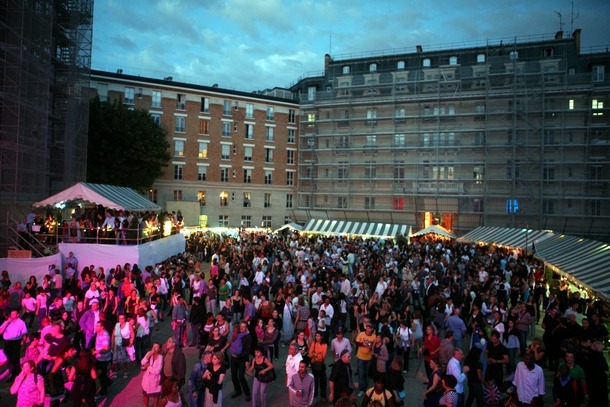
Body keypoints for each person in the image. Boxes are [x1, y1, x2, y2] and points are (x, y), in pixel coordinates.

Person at [0, 308, 27, 380]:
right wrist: (6, 323)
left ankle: (16, 373)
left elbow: (24, 334)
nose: (12, 315)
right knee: (8, 358)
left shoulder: (21, 323)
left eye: (13, 314)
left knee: (15, 358)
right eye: (11, 314)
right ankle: (12, 371)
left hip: (16, 342)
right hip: (7, 342)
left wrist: (24, 344)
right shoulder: (7, 322)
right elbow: (0, 331)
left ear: (17, 315)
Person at [229, 321, 252, 401]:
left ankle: (247, 393)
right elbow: (231, 343)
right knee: (233, 376)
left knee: (241, 377)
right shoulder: (236, 334)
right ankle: (238, 390)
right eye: (241, 326)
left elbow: (247, 350)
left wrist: (238, 355)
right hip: (233, 359)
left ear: (246, 328)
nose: (242, 328)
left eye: (244, 327)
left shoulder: (248, 337)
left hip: (242, 359)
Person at [92, 320, 112, 399]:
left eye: (97, 326)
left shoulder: (104, 335)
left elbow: (106, 348)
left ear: (102, 327)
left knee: (101, 376)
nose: (95, 327)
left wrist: (96, 351)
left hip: (103, 359)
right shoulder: (99, 333)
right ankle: (108, 382)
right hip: (99, 358)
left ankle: (103, 392)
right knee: (102, 374)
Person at [355, 323, 376, 396]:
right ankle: (362, 389)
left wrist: (370, 346)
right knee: (361, 373)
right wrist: (362, 344)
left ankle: (366, 386)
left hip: (369, 358)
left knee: (367, 373)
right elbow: (356, 342)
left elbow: (374, 347)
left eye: (369, 328)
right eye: (367, 327)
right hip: (360, 357)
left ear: (372, 329)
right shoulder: (361, 334)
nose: (368, 329)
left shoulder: (374, 337)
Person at [112, 314, 135, 378]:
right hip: (117, 344)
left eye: (122, 318)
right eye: (120, 318)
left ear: (125, 319)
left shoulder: (128, 324)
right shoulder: (117, 325)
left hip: (124, 345)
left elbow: (132, 333)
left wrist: (132, 341)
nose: (121, 320)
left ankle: (126, 372)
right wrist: (112, 344)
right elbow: (113, 334)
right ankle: (115, 372)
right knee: (115, 360)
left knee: (124, 360)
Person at [141, 342, 164, 407]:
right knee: (145, 394)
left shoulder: (160, 357)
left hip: (155, 380)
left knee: (156, 395)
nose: (154, 348)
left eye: (156, 347)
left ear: (159, 349)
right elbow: (142, 362)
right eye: (153, 347)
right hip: (147, 379)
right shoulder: (149, 353)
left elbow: (157, 371)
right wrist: (150, 354)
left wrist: (148, 367)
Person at [309, 331, 328, 401]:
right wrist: (317, 354)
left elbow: (323, 356)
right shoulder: (313, 344)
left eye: (318, 336)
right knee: (315, 380)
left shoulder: (325, 345)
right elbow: (310, 354)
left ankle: (323, 395)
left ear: (321, 337)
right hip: (314, 364)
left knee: (323, 381)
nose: (317, 337)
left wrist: (315, 354)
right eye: (316, 336)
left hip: (321, 364)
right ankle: (315, 393)